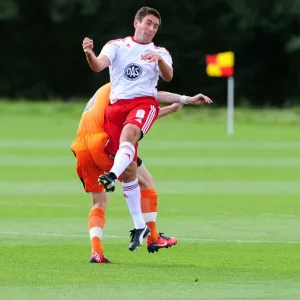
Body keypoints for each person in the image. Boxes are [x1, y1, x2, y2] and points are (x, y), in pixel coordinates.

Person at [82, 6, 212, 251]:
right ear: (136, 23)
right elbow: (98, 66)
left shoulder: (160, 51)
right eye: (148, 23)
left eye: (155, 26)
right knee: (131, 171)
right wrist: (89, 53)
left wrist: (160, 60)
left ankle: (111, 177)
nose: (151, 29)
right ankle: (142, 227)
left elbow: (168, 76)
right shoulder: (117, 46)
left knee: (130, 137)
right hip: (116, 109)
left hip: (143, 104)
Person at [71, 83, 212, 263]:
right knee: (145, 180)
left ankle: (96, 252)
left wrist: (168, 109)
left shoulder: (105, 88)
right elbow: (132, 120)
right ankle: (152, 237)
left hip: (81, 145)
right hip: (104, 141)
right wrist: (174, 106)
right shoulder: (127, 86)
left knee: (98, 201)